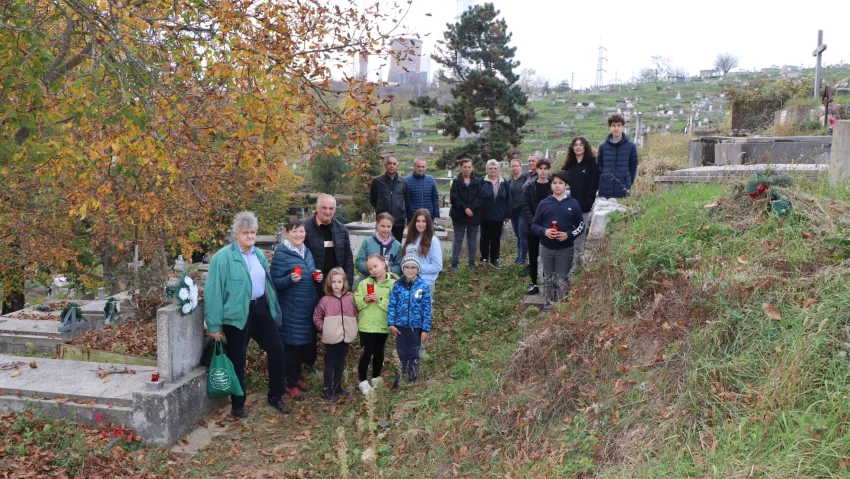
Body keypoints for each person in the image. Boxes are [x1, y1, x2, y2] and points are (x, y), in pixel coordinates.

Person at [204, 211, 290, 418]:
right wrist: (214, 325)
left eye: (252, 232)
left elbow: (266, 285)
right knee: (238, 358)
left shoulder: (259, 255)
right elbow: (213, 291)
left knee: (277, 349)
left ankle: (276, 396)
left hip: (260, 309)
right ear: (236, 235)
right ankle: (238, 405)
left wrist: (272, 310)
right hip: (236, 314)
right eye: (245, 233)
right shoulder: (223, 258)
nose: (250, 236)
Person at [270, 221, 323, 401]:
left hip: (306, 308)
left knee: (302, 347)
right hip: (291, 309)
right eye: (295, 231)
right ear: (287, 233)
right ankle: (289, 383)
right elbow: (274, 282)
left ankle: (297, 378)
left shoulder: (306, 252)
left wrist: (318, 277)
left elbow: (312, 272)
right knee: (291, 348)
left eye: (302, 231)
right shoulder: (282, 255)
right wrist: (289, 280)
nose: (299, 234)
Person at [302, 194, 354, 374]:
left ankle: (332, 359)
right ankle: (309, 361)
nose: (328, 211)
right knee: (312, 323)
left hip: (336, 286)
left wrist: (349, 284)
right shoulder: (305, 228)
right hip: (312, 285)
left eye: (331, 208)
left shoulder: (340, 229)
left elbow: (347, 256)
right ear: (317, 208)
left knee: (334, 322)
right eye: (324, 208)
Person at [531, 171, 585, 309]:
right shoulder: (544, 203)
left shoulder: (573, 203)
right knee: (548, 279)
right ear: (551, 184)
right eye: (554, 183)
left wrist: (569, 234)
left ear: (566, 185)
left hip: (565, 249)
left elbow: (581, 225)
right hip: (546, 248)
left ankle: (562, 308)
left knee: (562, 279)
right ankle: (548, 306)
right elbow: (535, 225)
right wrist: (545, 231)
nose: (557, 186)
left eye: (560, 183)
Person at [354, 254, 398, 395]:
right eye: (370, 268)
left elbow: (394, 305)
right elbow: (357, 302)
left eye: (375, 266)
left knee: (379, 352)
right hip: (366, 326)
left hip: (382, 325)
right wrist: (365, 299)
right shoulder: (363, 284)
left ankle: (375, 377)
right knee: (366, 352)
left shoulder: (393, 284)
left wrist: (380, 299)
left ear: (384, 263)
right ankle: (362, 380)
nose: (373, 270)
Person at [313, 267, 358, 402]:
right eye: (334, 282)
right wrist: (325, 329)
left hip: (346, 337)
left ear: (344, 283)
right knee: (331, 363)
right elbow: (317, 317)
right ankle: (327, 387)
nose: (337, 285)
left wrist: (353, 327)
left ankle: (338, 385)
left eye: (339, 282)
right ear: (329, 284)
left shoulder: (350, 298)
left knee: (341, 362)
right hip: (331, 338)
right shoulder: (325, 300)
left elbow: (355, 314)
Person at [388, 255, 432, 386]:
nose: (410, 270)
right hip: (400, 327)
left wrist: (425, 329)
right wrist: (391, 323)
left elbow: (427, 309)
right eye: (407, 267)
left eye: (413, 267)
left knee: (414, 353)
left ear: (418, 269)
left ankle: (413, 379)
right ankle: (399, 379)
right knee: (401, 353)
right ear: (403, 268)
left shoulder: (423, 286)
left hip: (416, 327)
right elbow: (392, 305)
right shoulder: (397, 285)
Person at [561, 137, 599, 273]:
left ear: (585, 147)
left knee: (580, 236)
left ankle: (576, 266)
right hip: (569, 207)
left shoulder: (591, 163)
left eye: (580, 145)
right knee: (568, 235)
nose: (578, 147)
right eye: (575, 145)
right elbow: (559, 178)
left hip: (583, 207)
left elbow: (593, 185)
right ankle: (568, 263)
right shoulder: (569, 164)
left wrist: (587, 203)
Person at [520, 159, 552, 294]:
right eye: (541, 168)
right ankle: (533, 282)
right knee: (533, 255)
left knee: (549, 255)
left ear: (549, 170)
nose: (543, 171)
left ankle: (549, 281)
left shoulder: (553, 185)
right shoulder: (528, 185)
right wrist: (534, 223)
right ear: (537, 170)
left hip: (549, 227)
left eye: (546, 168)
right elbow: (525, 206)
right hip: (532, 226)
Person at [448, 158, 482, 272]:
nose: (467, 169)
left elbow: (480, 197)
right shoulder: (456, 182)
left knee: (472, 239)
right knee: (458, 238)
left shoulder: (476, 181)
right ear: (460, 168)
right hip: (459, 215)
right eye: (465, 167)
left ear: (472, 168)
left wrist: (471, 208)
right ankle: (454, 264)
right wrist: (464, 208)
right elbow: (454, 197)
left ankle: (471, 263)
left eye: (469, 167)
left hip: (474, 215)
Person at [478, 159, 511, 269]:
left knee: (496, 238)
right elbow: (477, 198)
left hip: (499, 215)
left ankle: (495, 259)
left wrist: (507, 215)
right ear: (487, 169)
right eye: (490, 168)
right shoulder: (481, 181)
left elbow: (508, 199)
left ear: (498, 169)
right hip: (485, 215)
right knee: (484, 238)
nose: (493, 170)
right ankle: (484, 258)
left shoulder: (504, 182)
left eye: (495, 168)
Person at [597, 113, 638, 199]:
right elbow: (599, 167)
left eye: (619, 125)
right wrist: (603, 179)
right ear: (609, 127)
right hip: (605, 189)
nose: (616, 128)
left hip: (623, 189)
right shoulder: (603, 146)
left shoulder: (631, 146)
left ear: (623, 127)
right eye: (613, 125)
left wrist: (628, 182)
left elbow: (633, 168)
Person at [402, 208, 442, 294]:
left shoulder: (433, 240)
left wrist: (417, 268)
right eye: (418, 221)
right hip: (409, 282)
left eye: (424, 221)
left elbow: (437, 266)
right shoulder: (411, 237)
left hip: (425, 284)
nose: (421, 224)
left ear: (428, 223)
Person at [369, 156, 409, 241]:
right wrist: (381, 210)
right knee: (381, 244)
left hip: (398, 221)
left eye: (394, 164)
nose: (392, 166)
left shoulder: (403, 182)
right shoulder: (377, 181)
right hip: (382, 220)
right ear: (385, 165)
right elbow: (373, 200)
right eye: (389, 163)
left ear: (397, 166)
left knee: (397, 246)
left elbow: (407, 200)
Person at [355, 213, 403, 281]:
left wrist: (390, 270)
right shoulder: (367, 242)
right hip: (369, 282)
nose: (385, 229)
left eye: (388, 226)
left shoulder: (397, 245)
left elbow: (399, 266)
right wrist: (372, 270)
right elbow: (359, 262)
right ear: (377, 225)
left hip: (389, 283)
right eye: (382, 226)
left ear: (392, 227)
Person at [507, 158, 529, 266]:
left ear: (520, 166)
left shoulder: (526, 179)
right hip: (513, 212)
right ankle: (519, 256)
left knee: (522, 235)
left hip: (523, 212)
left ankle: (522, 258)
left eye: (516, 166)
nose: (514, 168)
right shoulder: (510, 181)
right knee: (518, 236)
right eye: (512, 166)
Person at [406, 157, 440, 223]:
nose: (421, 169)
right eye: (418, 166)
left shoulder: (431, 180)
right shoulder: (406, 181)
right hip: (413, 217)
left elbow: (435, 198)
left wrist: (437, 216)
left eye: (423, 167)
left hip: (429, 217)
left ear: (425, 167)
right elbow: (405, 200)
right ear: (414, 166)